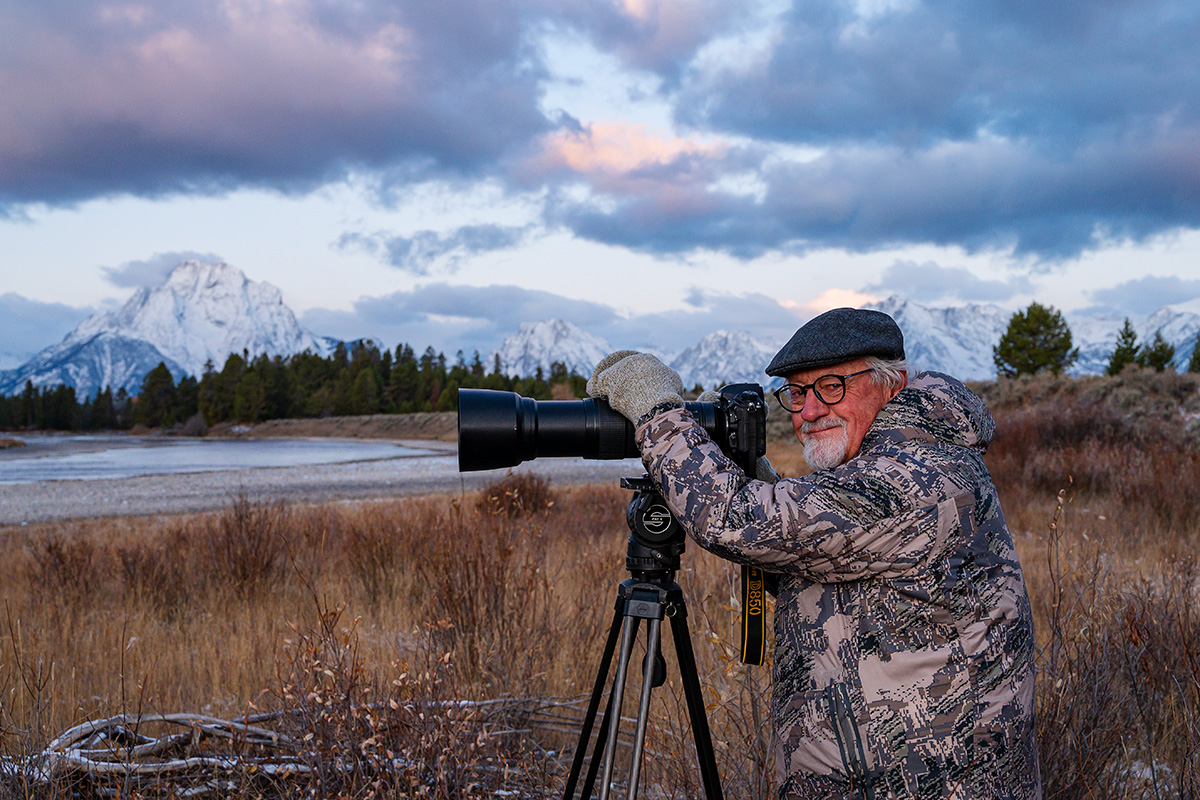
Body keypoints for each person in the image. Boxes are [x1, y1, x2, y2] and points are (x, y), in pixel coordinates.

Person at [586, 307, 1040, 800]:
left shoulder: (919, 478)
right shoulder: (895, 461)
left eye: (831, 387)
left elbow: (738, 521)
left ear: (892, 383)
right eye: (797, 393)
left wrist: (656, 410)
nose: (809, 411)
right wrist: (747, 469)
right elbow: (832, 561)